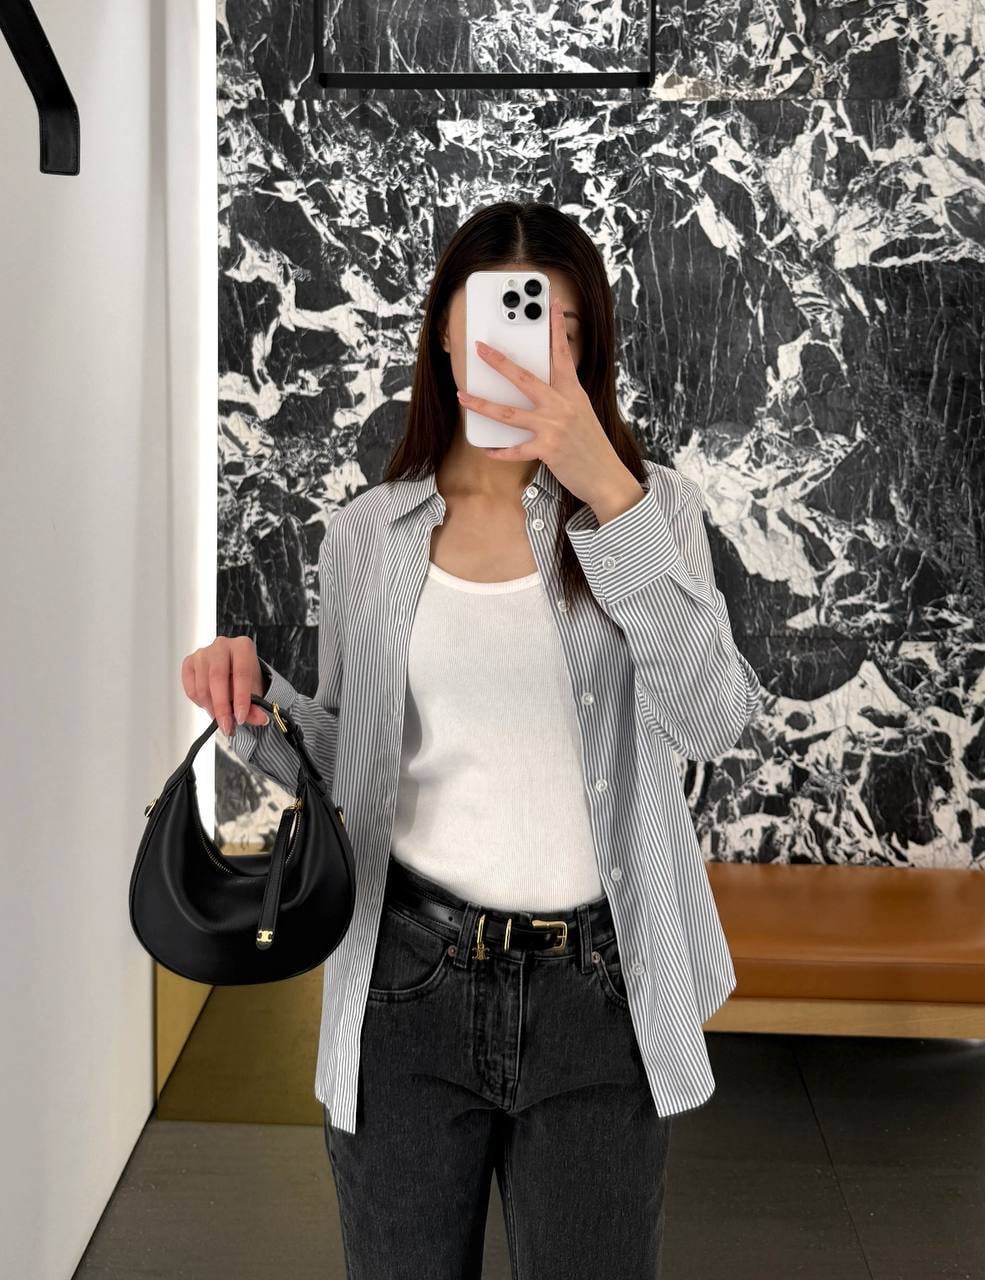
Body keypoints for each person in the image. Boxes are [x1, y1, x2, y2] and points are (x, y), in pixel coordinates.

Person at [181, 200, 763, 1279]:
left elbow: (711, 720)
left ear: (589, 352)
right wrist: (258, 711)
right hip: (406, 978)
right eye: (496, 324)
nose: (528, 353)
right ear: (445, 339)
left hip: (602, 987)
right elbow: (352, 764)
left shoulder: (653, 512)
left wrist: (607, 489)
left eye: (561, 331)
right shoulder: (367, 533)